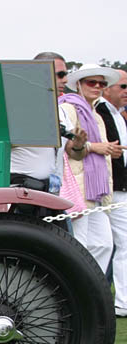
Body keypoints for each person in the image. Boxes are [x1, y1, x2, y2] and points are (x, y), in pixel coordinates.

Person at [60, 64, 123, 275]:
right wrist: (95, 147)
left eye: (102, 83)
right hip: (78, 186)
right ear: (79, 84)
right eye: (91, 82)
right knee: (79, 244)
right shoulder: (68, 107)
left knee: (104, 244)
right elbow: (66, 147)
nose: (97, 86)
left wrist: (107, 150)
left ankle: (90, 288)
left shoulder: (95, 114)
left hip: (96, 188)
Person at [10, 52, 73, 223]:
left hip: (51, 195)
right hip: (22, 196)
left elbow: (73, 153)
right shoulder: (17, 107)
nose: (65, 80)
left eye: (66, 74)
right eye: (59, 75)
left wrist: (80, 145)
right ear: (39, 74)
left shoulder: (61, 111)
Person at [98, 69, 127, 316]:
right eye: (123, 87)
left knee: (115, 244)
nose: (126, 92)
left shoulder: (118, 115)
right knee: (106, 243)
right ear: (109, 89)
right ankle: (119, 302)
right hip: (109, 188)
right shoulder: (100, 111)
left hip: (119, 187)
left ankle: (121, 301)